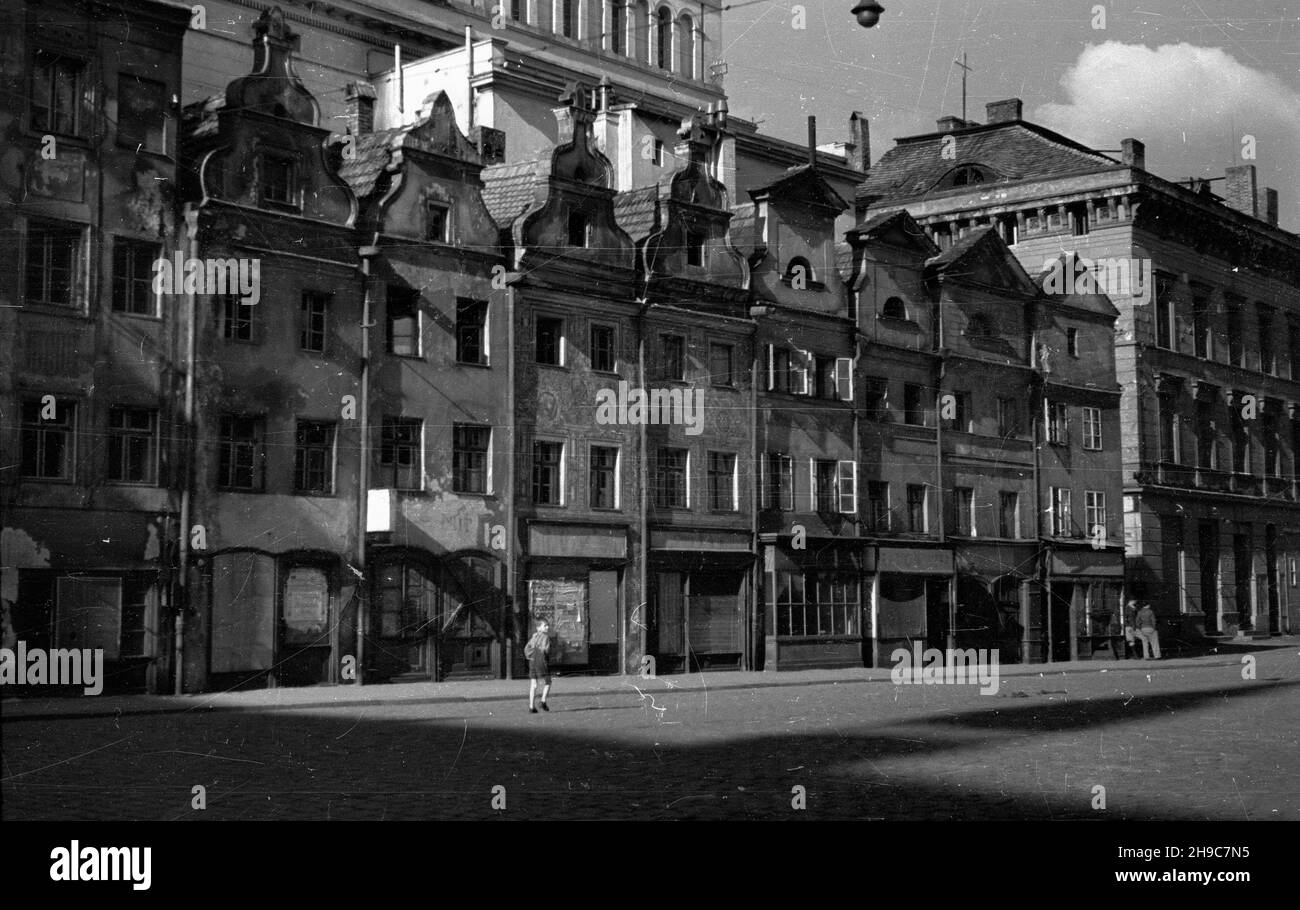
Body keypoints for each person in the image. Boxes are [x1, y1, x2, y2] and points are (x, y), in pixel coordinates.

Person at [524, 619, 552, 713]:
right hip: (541, 661)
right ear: (539, 627)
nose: (547, 627)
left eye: (547, 625)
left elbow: (527, 648)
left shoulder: (534, 636)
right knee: (548, 681)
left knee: (534, 685)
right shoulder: (545, 637)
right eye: (545, 626)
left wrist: (529, 656)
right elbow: (545, 650)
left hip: (532, 661)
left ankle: (531, 707)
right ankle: (543, 701)